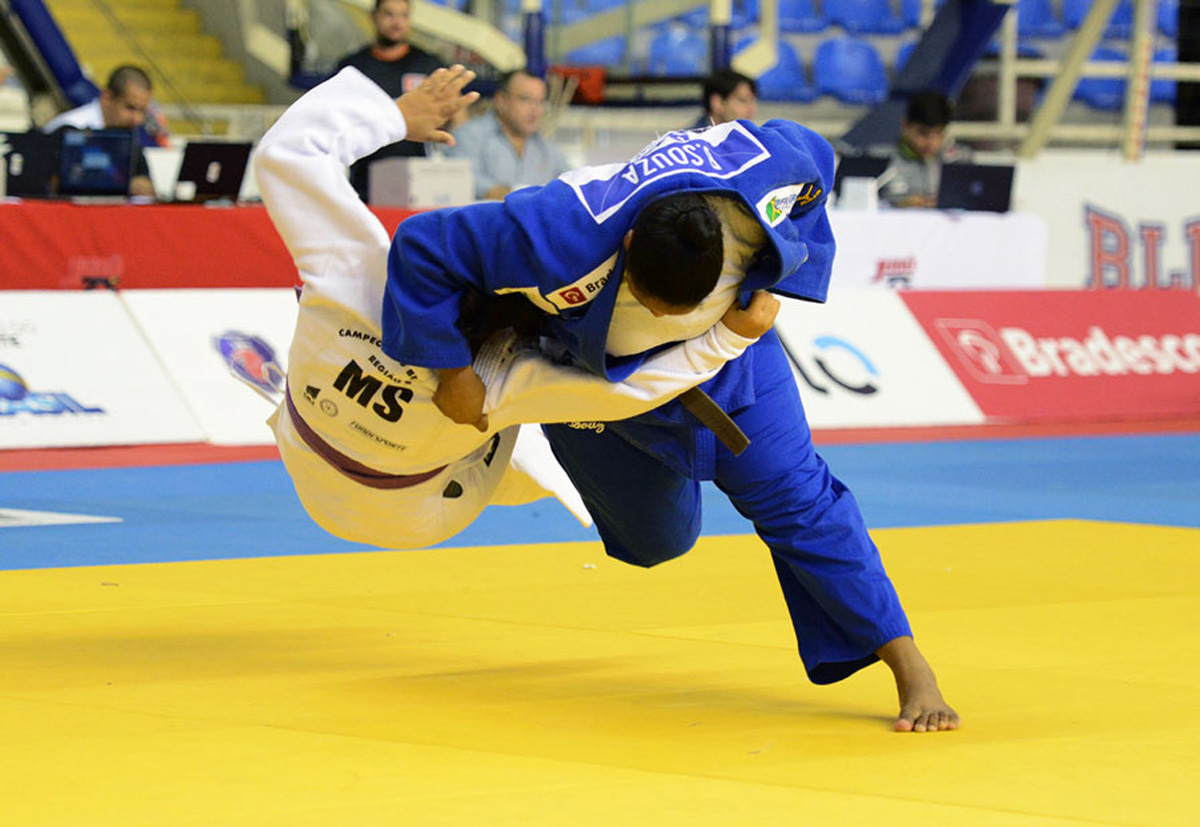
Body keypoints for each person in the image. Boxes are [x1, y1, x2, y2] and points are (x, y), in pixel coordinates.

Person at [382, 116, 960, 733]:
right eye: (651, 301)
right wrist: (451, 371)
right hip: (594, 381)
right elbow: (422, 244)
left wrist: (790, 275)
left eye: (678, 307)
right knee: (659, 542)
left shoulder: (758, 189)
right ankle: (533, 436)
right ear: (628, 247)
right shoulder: (558, 231)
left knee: (802, 501)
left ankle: (909, 666)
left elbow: (816, 152)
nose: (662, 315)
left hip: (732, 368)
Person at [252, 64, 780, 550]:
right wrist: (729, 338)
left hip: (305, 446)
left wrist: (394, 117)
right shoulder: (496, 378)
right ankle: (514, 453)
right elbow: (626, 392)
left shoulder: (361, 273)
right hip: (419, 512)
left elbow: (286, 155)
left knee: (536, 393)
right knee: (551, 392)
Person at [335, 0, 442, 200]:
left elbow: (451, 117)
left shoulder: (428, 64)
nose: (397, 23)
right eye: (389, 14)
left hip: (419, 177)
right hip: (363, 179)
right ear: (374, 17)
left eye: (403, 15)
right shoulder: (352, 68)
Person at [446, 69, 570, 201]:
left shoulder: (546, 147)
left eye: (540, 102)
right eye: (526, 99)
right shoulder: (469, 136)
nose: (536, 110)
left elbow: (571, 185)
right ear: (501, 100)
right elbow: (467, 182)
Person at [43, 64, 155, 197]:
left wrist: (144, 187)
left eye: (142, 111)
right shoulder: (69, 129)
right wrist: (123, 185)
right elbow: (51, 185)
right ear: (107, 97)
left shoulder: (129, 135)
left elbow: (144, 182)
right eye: (130, 108)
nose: (137, 119)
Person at [879, 90, 971, 209]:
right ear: (905, 125)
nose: (931, 143)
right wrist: (898, 204)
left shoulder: (959, 160)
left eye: (939, 133)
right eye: (923, 133)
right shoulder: (880, 160)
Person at [692, 68, 758, 129]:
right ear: (717, 103)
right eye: (742, 101)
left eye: (752, 101)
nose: (751, 110)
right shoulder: (690, 140)